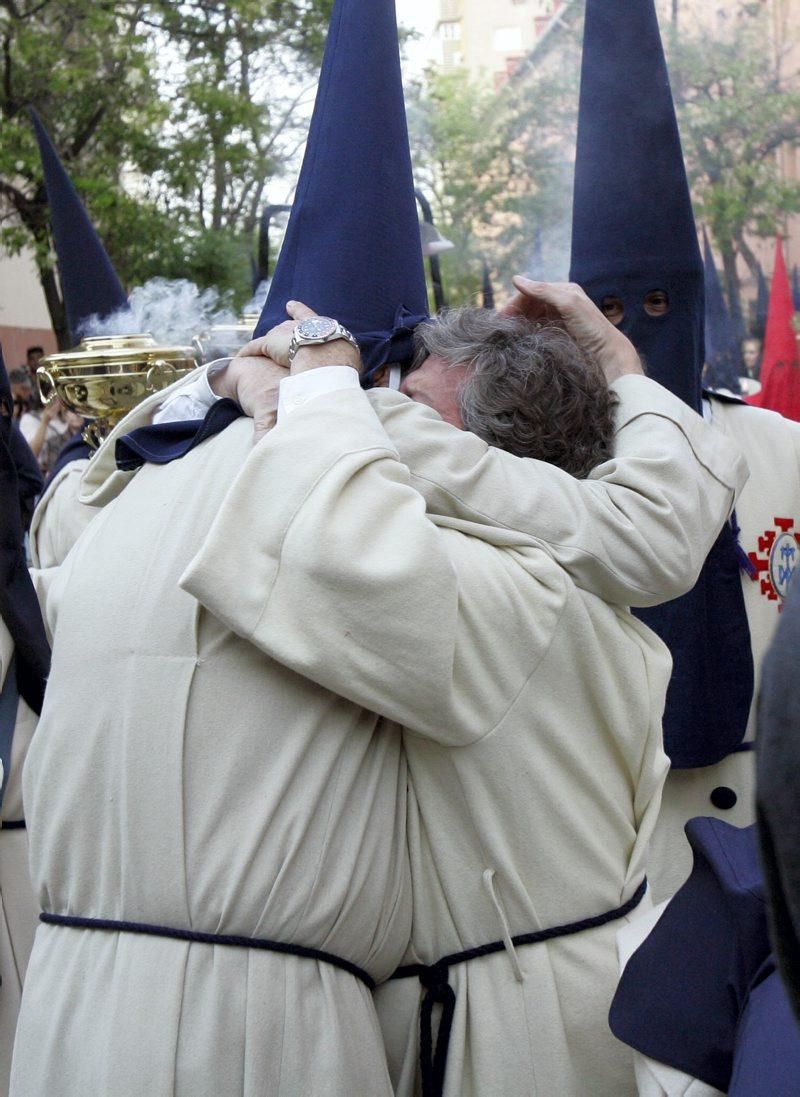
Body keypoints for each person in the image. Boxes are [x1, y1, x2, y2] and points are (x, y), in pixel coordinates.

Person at [180, 280, 745, 1097]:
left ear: (479, 448)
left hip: (532, 1033)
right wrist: (619, 364)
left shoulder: (501, 592)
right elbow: (657, 510)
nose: (388, 401)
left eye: (410, 399)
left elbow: (346, 508)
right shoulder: (561, 541)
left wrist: (297, 380)